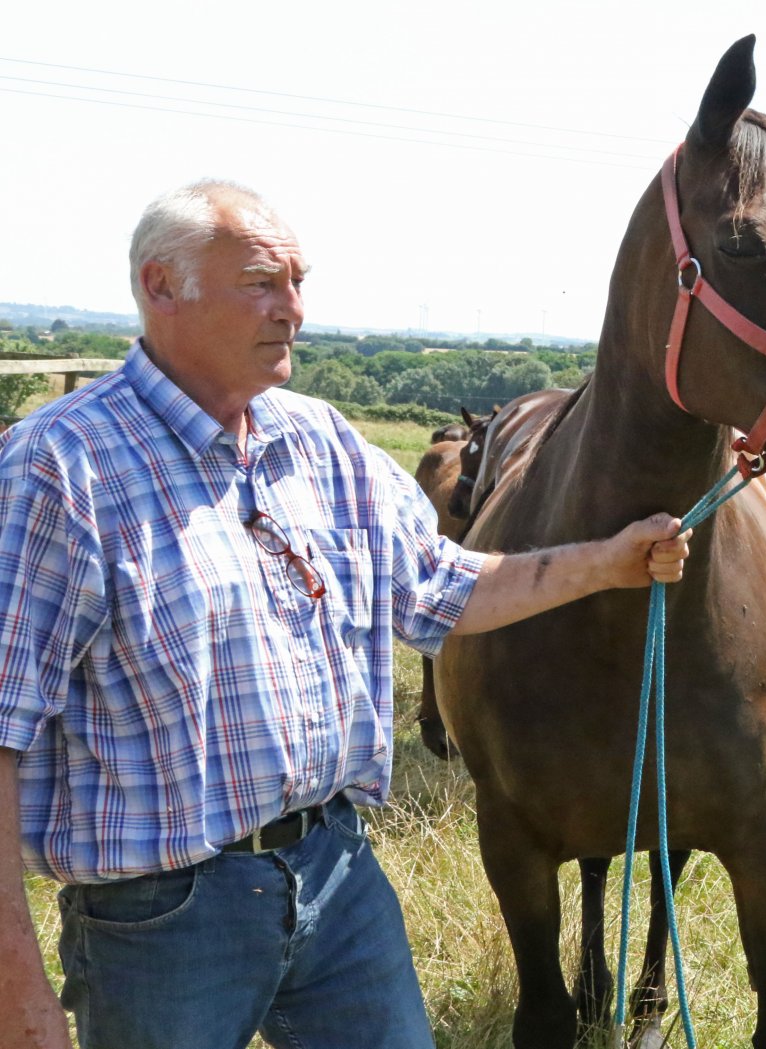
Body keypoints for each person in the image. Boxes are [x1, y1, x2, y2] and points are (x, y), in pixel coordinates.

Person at [0, 179, 692, 1049]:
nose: (293, 308)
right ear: (161, 286)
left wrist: (609, 561)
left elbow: (440, 586)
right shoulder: (61, 469)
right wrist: (17, 1000)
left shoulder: (317, 440)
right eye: (261, 282)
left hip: (335, 872)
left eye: (298, 282)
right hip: (163, 918)